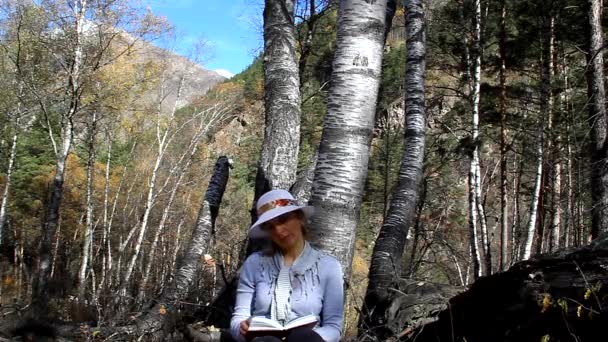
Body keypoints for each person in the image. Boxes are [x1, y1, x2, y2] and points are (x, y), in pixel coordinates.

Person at [230, 189, 344, 342]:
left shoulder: (329, 266)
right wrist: (242, 329)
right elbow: (238, 318)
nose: (278, 230)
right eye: (270, 227)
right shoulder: (254, 263)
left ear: (300, 218)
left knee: (302, 336)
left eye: (283, 219)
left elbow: (333, 327)